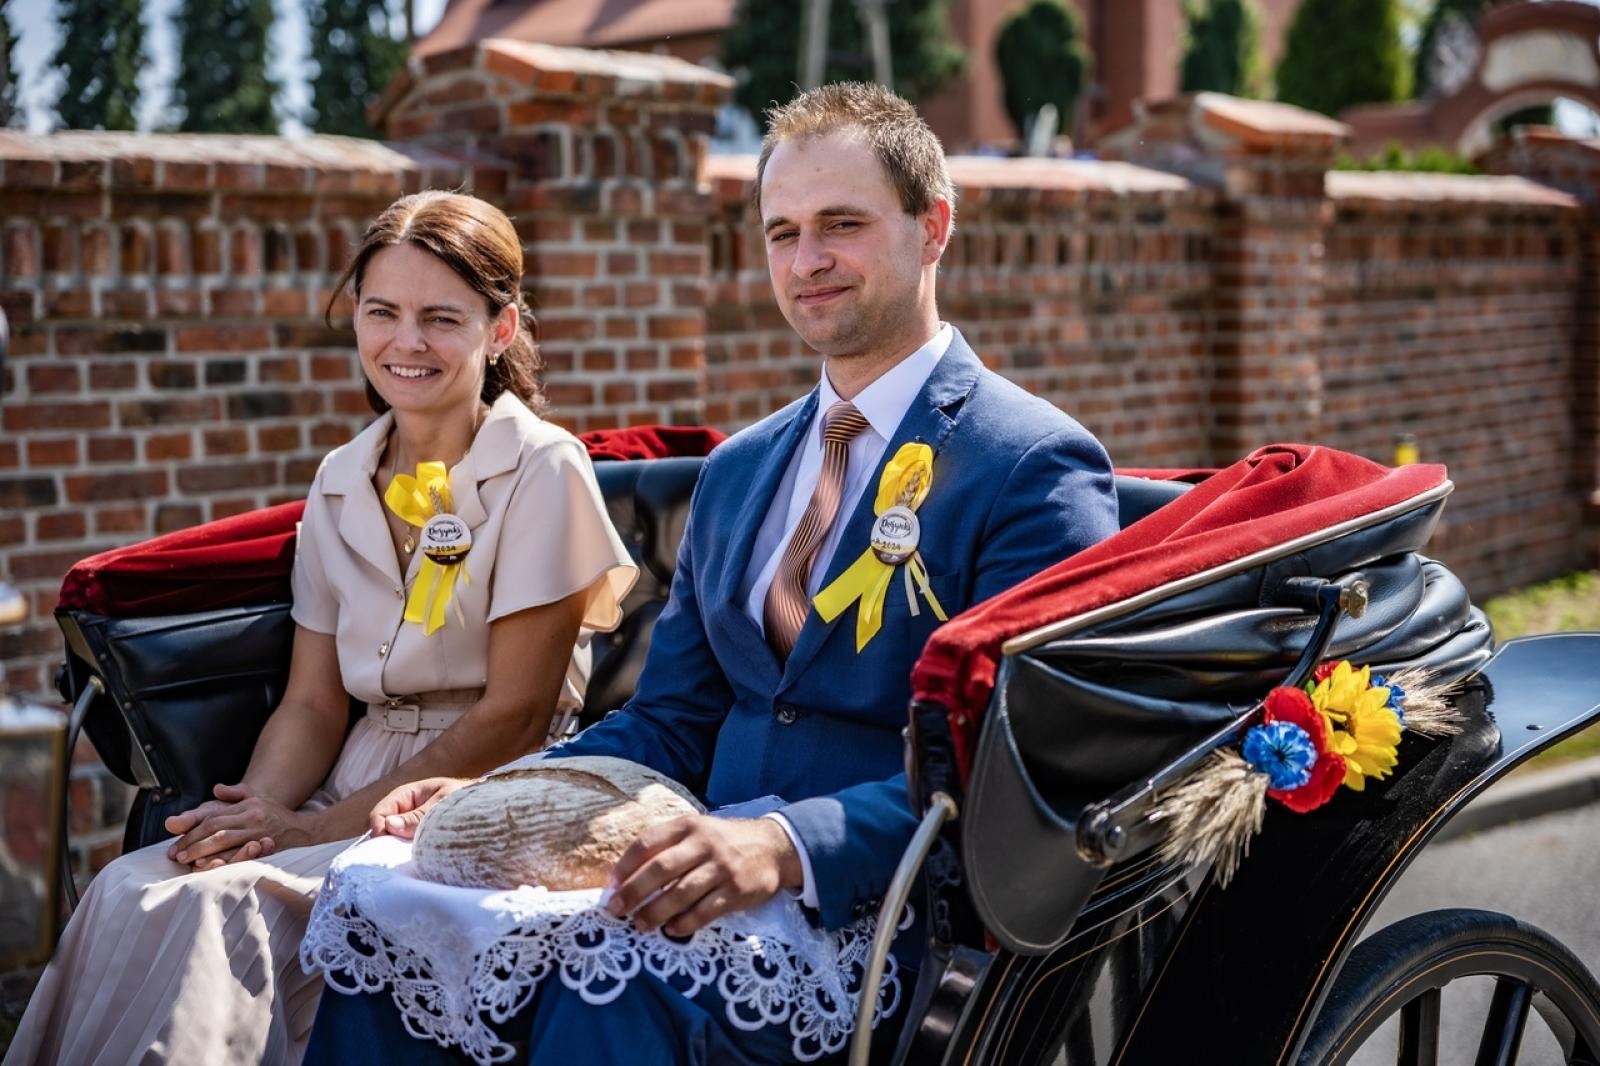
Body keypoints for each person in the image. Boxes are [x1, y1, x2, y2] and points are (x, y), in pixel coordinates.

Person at [304, 83, 1121, 1065]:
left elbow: (1022, 764)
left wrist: (782, 845)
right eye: (783, 232)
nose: (807, 260)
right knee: (391, 934)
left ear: (933, 227)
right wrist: (502, 789)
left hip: (889, 921)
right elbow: (672, 720)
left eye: (842, 225)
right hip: (687, 876)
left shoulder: (1029, 463)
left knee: (606, 992)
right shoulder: (738, 471)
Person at [4, 192, 637, 1066]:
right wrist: (259, 814)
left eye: (441, 318)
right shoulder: (340, 479)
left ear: (500, 329)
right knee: (131, 888)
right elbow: (311, 701)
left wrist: (318, 829)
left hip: (477, 793)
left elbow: (515, 714)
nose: (406, 342)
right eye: (382, 312)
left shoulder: (542, 467)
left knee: (223, 911)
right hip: (349, 771)